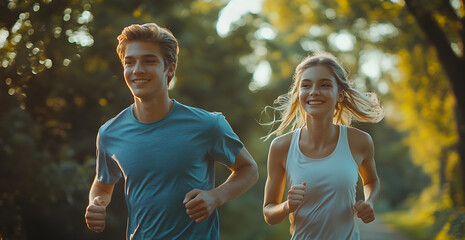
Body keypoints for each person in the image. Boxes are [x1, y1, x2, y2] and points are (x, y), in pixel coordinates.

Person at [84, 23, 259, 240]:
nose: (137, 70)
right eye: (130, 62)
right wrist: (96, 203)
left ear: (170, 68)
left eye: (149, 61)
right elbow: (102, 185)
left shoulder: (207, 125)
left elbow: (249, 169)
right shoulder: (110, 133)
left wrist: (215, 197)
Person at [262, 52, 384, 239]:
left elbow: (371, 181)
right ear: (299, 94)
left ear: (340, 94)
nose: (314, 92)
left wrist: (370, 202)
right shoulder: (281, 146)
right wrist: (287, 206)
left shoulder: (360, 141)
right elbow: (269, 214)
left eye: (325, 85)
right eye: (306, 85)